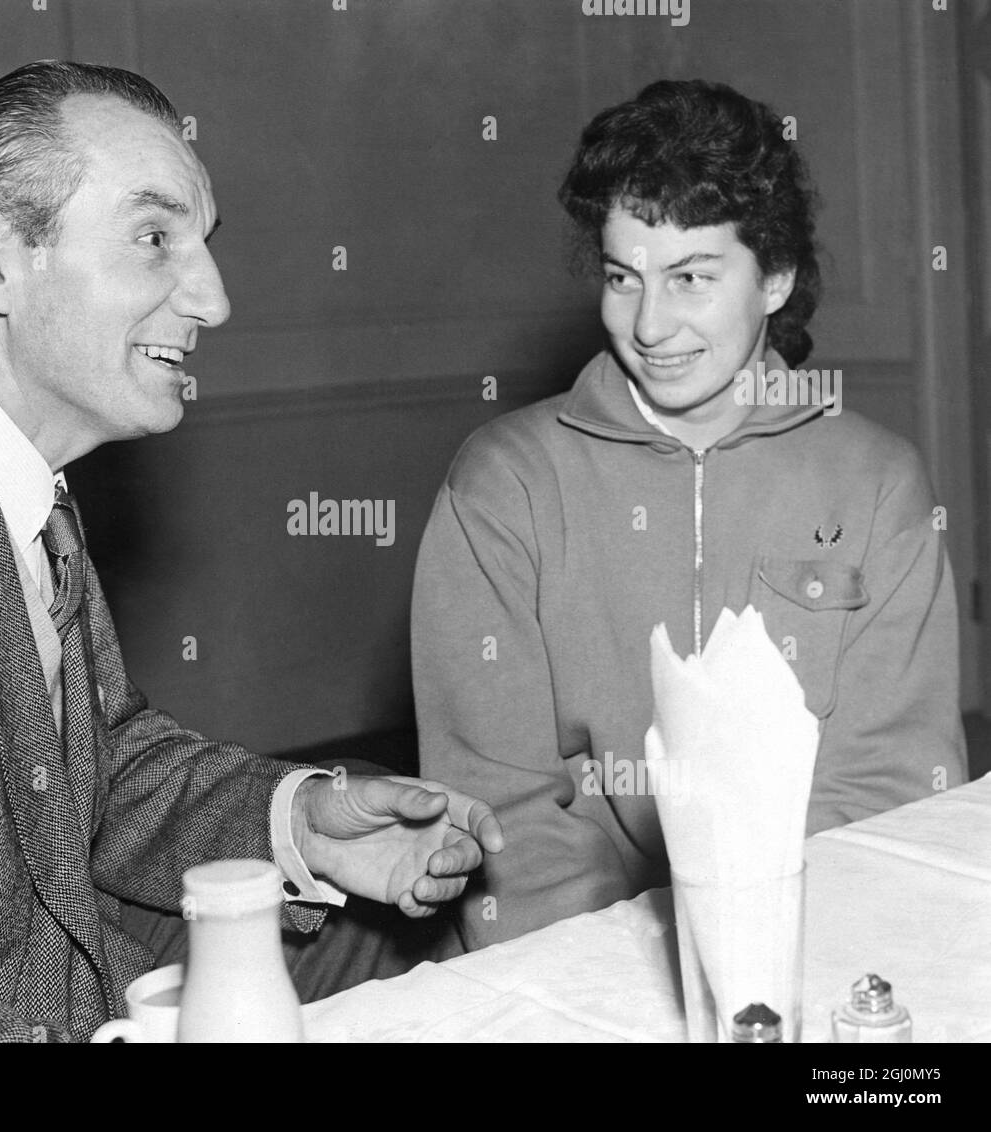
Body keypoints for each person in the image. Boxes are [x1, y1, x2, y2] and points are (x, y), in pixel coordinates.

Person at [0, 60, 502, 1042]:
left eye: (202, 245)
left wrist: (301, 817)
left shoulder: (11, 466)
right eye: (154, 238)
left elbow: (87, 769)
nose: (213, 300)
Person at [411, 79, 966, 951]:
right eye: (623, 278)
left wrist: (763, 971)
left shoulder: (878, 482)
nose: (650, 324)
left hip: (814, 943)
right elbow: (504, 807)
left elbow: (889, 786)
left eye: (692, 278)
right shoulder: (505, 481)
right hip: (570, 963)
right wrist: (625, 989)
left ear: (775, 277)